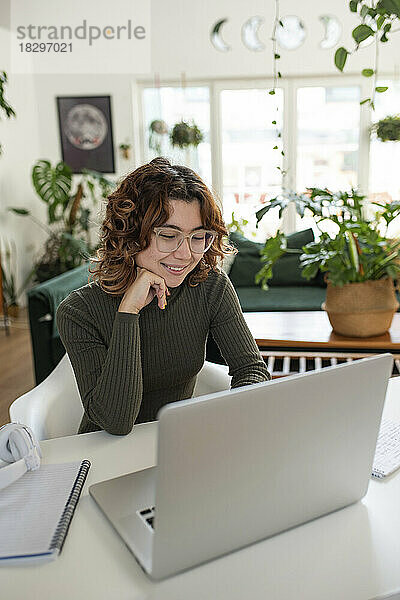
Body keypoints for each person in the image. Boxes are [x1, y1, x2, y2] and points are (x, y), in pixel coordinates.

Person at [56, 157, 270, 435]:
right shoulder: (78, 311)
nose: (186, 254)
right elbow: (116, 422)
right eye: (169, 236)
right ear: (131, 234)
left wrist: (228, 422)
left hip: (177, 444)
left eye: (198, 237)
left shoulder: (210, 286)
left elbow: (252, 370)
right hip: (103, 454)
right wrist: (128, 312)